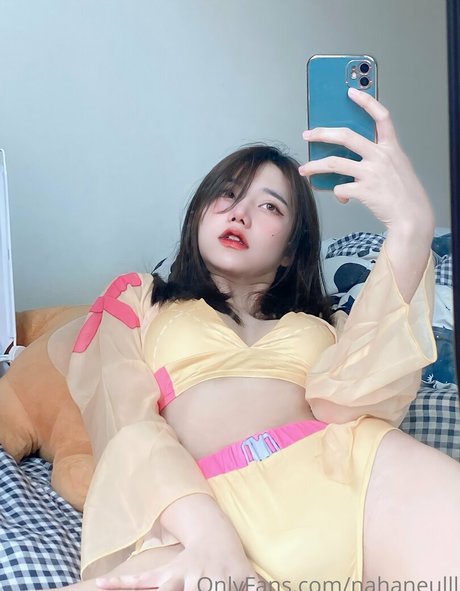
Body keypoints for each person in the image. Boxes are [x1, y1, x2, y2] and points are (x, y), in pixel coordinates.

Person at [49, 88, 460, 591]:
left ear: (289, 250)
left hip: (357, 477)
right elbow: (125, 424)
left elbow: (355, 402)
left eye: (270, 206)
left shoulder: (326, 322)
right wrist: (208, 534)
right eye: (228, 194)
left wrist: (411, 228)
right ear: (199, 214)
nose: (240, 213)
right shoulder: (139, 296)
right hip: (203, 512)